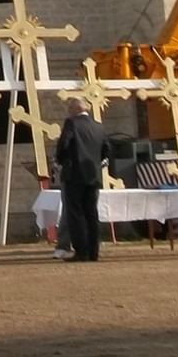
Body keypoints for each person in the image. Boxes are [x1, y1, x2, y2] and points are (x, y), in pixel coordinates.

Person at [53, 97, 107, 263]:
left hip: (74, 175)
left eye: (70, 109)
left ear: (75, 109)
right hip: (93, 175)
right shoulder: (99, 126)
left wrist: (60, 160)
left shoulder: (72, 123)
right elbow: (106, 149)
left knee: (75, 213)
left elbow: (64, 144)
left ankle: (81, 251)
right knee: (91, 213)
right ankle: (93, 252)